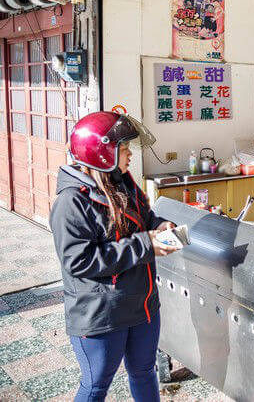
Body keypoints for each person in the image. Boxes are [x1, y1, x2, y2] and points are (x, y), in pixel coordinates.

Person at [50, 111, 182, 401]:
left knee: (144, 372)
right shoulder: (71, 202)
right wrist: (145, 245)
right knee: (96, 386)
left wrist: (158, 225)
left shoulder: (122, 182)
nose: (129, 155)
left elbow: (143, 217)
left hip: (143, 306)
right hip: (101, 314)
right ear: (101, 152)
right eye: (124, 149)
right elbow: (79, 260)